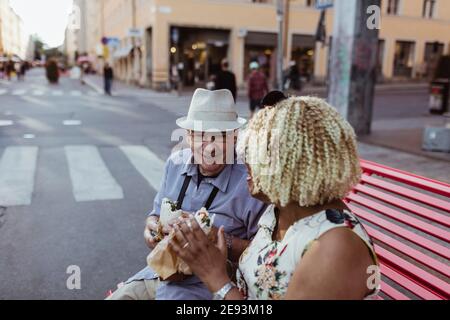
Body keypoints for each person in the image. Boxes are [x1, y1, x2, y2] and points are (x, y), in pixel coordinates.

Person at [170, 96, 380, 300]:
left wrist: (216, 279)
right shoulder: (279, 209)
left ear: (295, 164)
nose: (245, 161)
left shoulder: (335, 248)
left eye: (258, 153)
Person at [107, 89, 267, 300]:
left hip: (212, 285)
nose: (210, 147)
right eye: (201, 136)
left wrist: (216, 239)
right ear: (189, 136)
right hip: (162, 274)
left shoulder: (251, 179)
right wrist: (153, 233)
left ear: (235, 137)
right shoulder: (175, 164)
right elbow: (152, 218)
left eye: (220, 137)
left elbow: (263, 255)